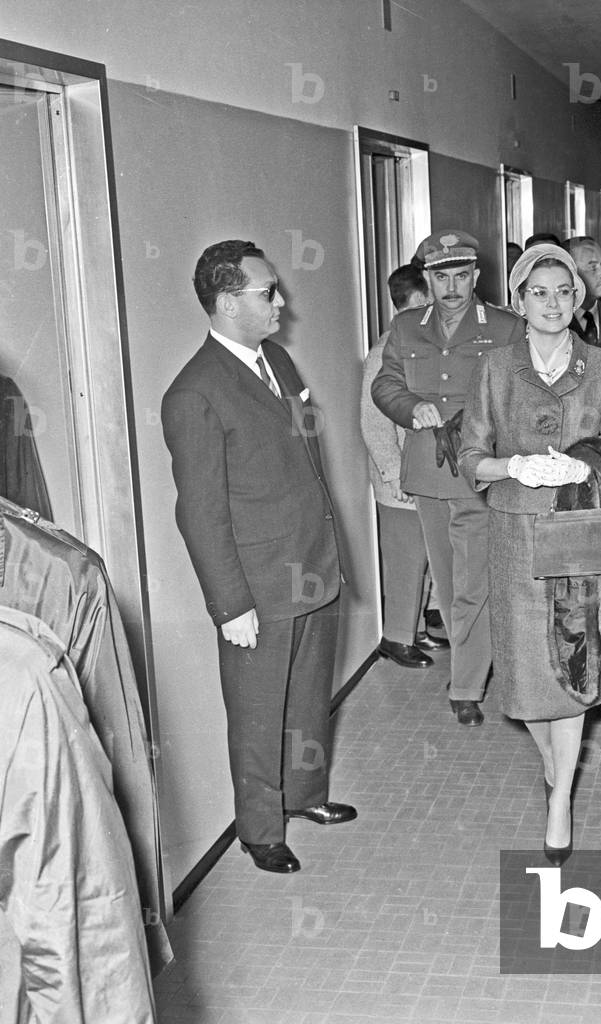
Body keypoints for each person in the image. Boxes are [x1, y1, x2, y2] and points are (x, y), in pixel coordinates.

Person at [162, 240, 355, 875]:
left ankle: (304, 797)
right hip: (258, 586)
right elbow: (199, 510)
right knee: (256, 711)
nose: (281, 301)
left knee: (306, 699)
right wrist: (231, 604)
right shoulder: (194, 392)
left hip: (312, 565)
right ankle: (259, 828)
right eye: (267, 292)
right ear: (225, 303)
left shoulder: (277, 360)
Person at [459, 243, 601, 863]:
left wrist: (582, 466)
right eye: (539, 293)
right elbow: (468, 455)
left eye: (565, 291)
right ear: (519, 301)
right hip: (515, 533)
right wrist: (515, 465)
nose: (553, 304)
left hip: (581, 533)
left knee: (575, 664)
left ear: (579, 297)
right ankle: (555, 769)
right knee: (527, 675)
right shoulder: (495, 368)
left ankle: (559, 799)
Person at [372, 230, 522, 726]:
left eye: (461, 275)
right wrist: (410, 407)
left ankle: (466, 684)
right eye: (442, 277)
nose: (453, 286)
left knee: (471, 583)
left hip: (478, 471)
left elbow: (523, 391)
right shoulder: (406, 326)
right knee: (449, 576)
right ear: (428, 280)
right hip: (428, 472)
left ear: (476, 276)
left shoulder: (504, 327)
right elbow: (385, 382)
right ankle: (469, 671)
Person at [361, 264, 448, 669]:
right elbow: (373, 421)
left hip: (421, 478)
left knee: (424, 559)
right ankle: (396, 638)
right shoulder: (385, 351)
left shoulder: (417, 345)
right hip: (398, 481)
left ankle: (415, 630)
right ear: (414, 301)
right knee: (405, 561)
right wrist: (393, 474)